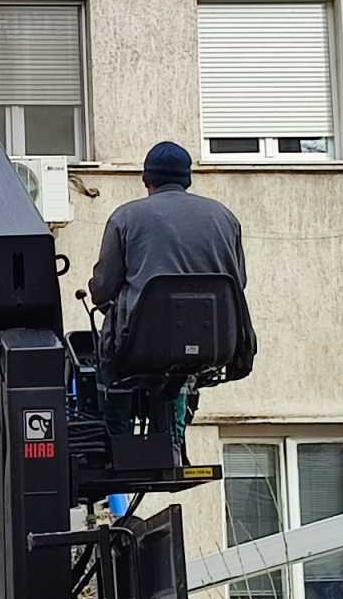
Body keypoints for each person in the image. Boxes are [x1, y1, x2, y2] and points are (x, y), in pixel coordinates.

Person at [87, 140, 248, 448]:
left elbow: (104, 289)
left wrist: (100, 292)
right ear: (187, 179)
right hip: (215, 344)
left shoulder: (126, 218)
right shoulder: (225, 217)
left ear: (147, 180)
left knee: (105, 359)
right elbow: (238, 281)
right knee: (182, 362)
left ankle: (116, 440)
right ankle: (176, 437)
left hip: (140, 345)